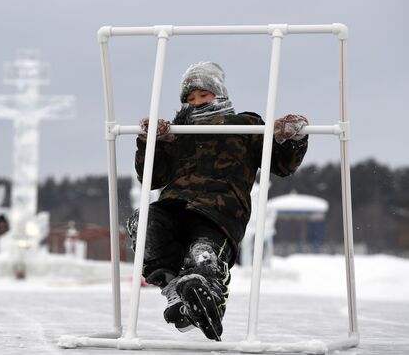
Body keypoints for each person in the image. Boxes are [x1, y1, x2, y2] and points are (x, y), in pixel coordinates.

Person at [126, 61, 309, 341]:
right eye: (190, 98)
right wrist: (151, 142)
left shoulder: (245, 125)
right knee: (144, 223)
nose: (196, 102)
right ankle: (177, 289)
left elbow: (282, 165)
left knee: (204, 253)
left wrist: (292, 137)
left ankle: (206, 287)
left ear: (219, 94)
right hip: (175, 205)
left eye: (203, 95)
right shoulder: (177, 132)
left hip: (219, 211)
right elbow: (150, 177)